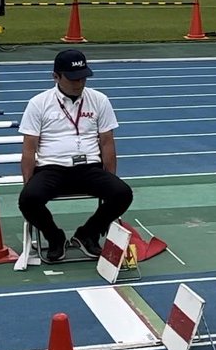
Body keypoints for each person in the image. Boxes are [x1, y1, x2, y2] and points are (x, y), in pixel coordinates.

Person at [17, 50, 133, 263]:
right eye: (72, 78)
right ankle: (54, 238)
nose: (79, 83)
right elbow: (29, 148)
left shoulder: (99, 100)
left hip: (89, 167)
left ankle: (88, 233)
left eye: (82, 77)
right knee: (28, 199)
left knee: (122, 193)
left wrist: (112, 178)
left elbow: (107, 141)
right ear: (56, 77)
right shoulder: (38, 103)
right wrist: (28, 182)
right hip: (51, 168)